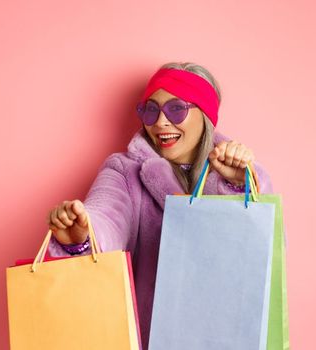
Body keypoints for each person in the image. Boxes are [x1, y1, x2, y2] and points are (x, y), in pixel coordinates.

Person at [45, 62, 274, 349]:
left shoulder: (238, 170)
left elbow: (262, 247)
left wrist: (238, 185)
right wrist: (82, 233)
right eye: (150, 110)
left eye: (176, 109)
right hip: (152, 336)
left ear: (204, 115)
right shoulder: (124, 170)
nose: (160, 122)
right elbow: (107, 213)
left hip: (230, 334)